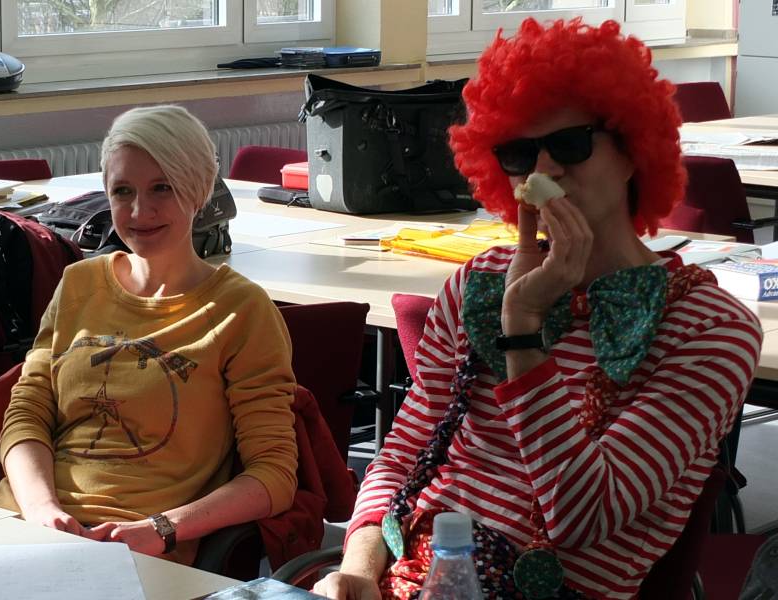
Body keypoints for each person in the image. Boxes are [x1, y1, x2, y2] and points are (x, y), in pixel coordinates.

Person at [314, 18, 763, 600]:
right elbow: (401, 455)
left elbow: (583, 515)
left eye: (571, 144)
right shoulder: (478, 280)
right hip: (406, 576)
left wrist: (523, 332)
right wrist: (357, 568)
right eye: (520, 154)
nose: (544, 170)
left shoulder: (711, 328)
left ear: (634, 150)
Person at [0, 105, 298, 564]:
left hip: (135, 547)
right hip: (21, 520)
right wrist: (42, 510)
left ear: (197, 190)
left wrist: (162, 529)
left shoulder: (240, 309)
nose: (138, 211)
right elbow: (26, 414)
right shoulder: (79, 283)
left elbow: (274, 475)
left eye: (162, 188)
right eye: (122, 191)